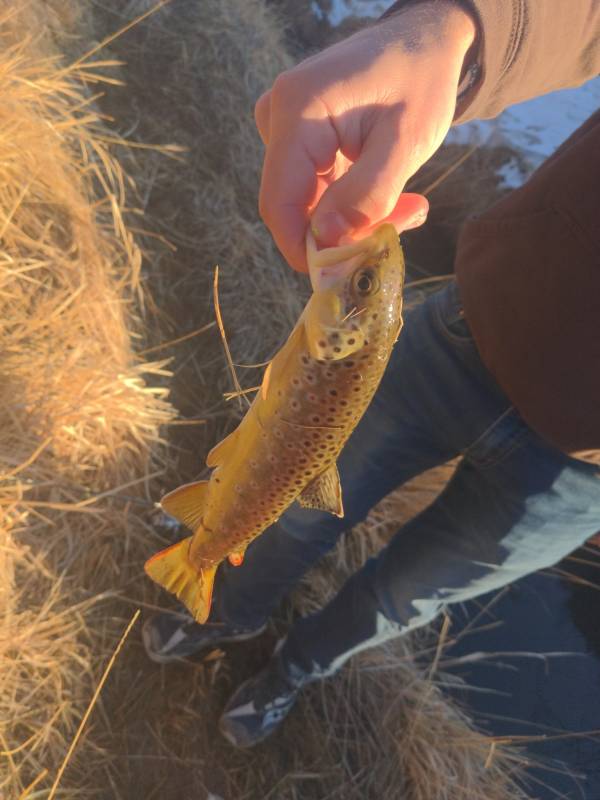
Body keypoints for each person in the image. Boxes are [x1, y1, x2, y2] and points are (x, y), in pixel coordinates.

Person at [143, 0, 600, 748]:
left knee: (400, 601)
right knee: (293, 510)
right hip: (473, 325)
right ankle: (222, 609)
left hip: (581, 481)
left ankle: (291, 672)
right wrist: (464, 28)